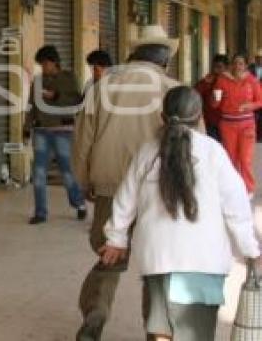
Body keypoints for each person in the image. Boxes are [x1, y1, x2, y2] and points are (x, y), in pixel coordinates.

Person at [100, 86, 259, 341]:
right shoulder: (212, 151)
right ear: (200, 118)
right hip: (202, 259)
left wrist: (116, 238)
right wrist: (251, 250)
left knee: (161, 329)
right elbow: (236, 208)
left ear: (162, 117)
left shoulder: (148, 151)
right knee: (193, 332)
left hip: (158, 256)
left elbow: (125, 198)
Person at [73, 24, 179, 341]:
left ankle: (96, 312)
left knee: (109, 256)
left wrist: (83, 180)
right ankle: (158, 332)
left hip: (110, 185)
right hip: (159, 192)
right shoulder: (175, 91)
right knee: (158, 265)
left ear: (133, 54)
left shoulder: (102, 87)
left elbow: (82, 141)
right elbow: (193, 145)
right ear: (164, 61)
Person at [25, 45, 86, 224]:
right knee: (39, 172)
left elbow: (77, 101)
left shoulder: (68, 78)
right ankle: (40, 212)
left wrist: (56, 96)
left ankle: (79, 203)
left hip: (62, 131)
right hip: (42, 131)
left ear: (54, 62)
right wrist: (26, 127)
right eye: (41, 65)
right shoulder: (37, 81)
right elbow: (30, 106)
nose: (43, 68)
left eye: (45, 64)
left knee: (67, 171)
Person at [211, 53, 262, 195]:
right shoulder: (222, 80)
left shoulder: (252, 81)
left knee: (245, 159)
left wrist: (249, 106)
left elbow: (260, 101)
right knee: (231, 159)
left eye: (240, 63)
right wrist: (215, 98)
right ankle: (233, 188)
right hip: (227, 125)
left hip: (247, 125)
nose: (237, 66)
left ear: (245, 65)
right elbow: (214, 105)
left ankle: (248, 189)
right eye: (235, 63)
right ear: (231, 65)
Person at [194, 54, 229, 142]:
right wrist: (205, 83)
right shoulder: (207, 81)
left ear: (226, 68)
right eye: (214, 67)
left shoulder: (229, 82)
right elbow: (195, 94)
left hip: (226, 121)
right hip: (210, 122)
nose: (215, 70)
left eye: (219, 67)